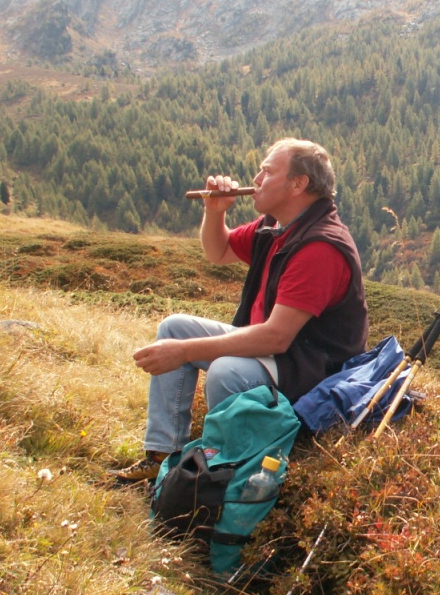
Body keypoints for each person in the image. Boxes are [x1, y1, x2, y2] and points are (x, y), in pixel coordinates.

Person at [112, 138, 369, 483]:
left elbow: (276, 337)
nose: (257, 179)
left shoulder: (320, 247)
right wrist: (215, 211)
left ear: (298, 184)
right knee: (174, 327)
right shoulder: (276, 226)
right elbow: (218, 252)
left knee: (227, 372)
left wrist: (184, 352)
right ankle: (163, 455)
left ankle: (224, 473)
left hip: (312, 368)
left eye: (267, 172)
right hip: (281, 353)